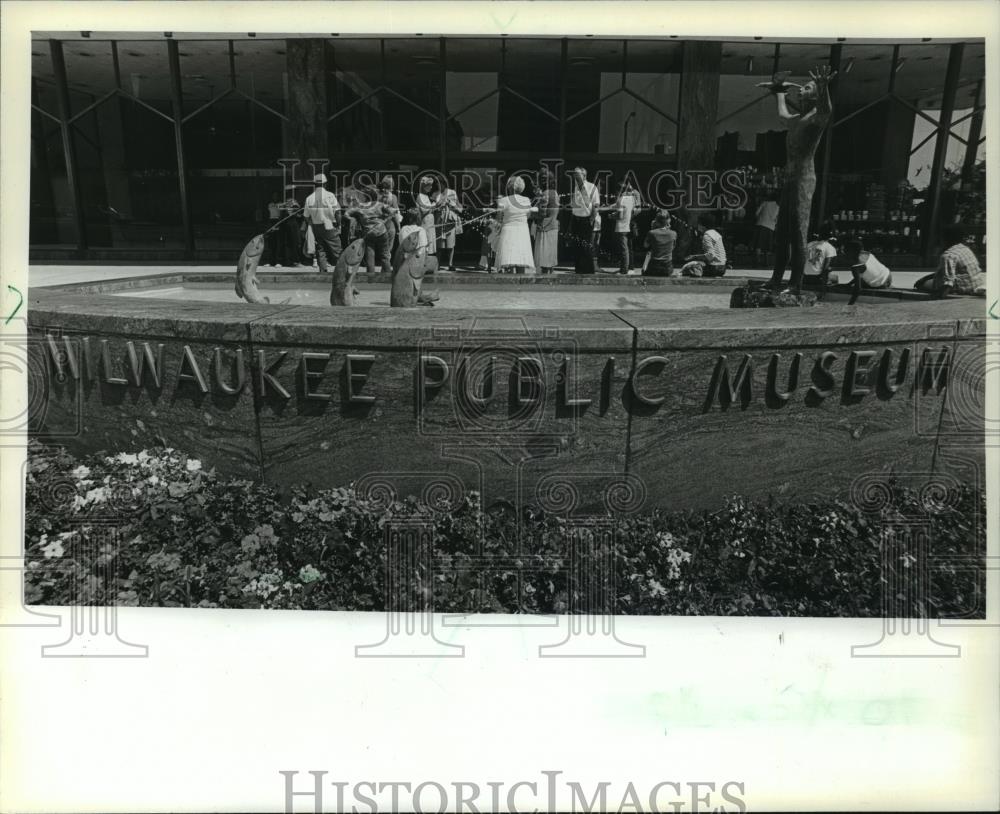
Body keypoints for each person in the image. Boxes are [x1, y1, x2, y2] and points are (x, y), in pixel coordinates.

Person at [758, 65, 836, 292]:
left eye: (807, 88)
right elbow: (782, 115)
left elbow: (826, 111)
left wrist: (823, 88)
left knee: (798, 232)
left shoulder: (815, 119)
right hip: (790, 179)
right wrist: (779, 92)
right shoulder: (797, 119)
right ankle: (776, 278)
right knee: (781, 232)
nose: (801, 90)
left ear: (816, 96)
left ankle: (795, 283)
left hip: (804, 179)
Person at [914, 223, 986, 298]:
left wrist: (938, 296)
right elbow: (949, 272)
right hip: (975, 284)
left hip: (963, 287)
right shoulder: (965, 249)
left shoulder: (948, 255)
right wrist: (926, 277)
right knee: (930, 279)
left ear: (945, 239)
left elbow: (948, 282)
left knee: (922, 284)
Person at [493, 176, 537, 274]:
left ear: (509, 187)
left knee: (508, 259)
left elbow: (498, 218)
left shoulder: (503, 200)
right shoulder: (526, 200)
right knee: (521, 259)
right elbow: (528, 215)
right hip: (522, 231)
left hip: (508, 230)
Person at [345, 185, 391, 275]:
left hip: (369, 233)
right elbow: (392, 212)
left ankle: (370, 277)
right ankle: (388, 277)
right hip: (382, 231)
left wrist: (354, 219)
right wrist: (384, 220)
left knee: (370, 255)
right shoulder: (380, 205)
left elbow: (347, 213)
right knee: (385, 255)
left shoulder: (360, 206)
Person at [303, 172, 341, 273]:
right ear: (325, 184)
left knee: (321, 250)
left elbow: (306, 216)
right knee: (337, 250)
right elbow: (337, 212)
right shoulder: (330, 195)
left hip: (316, 226)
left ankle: (323, 272)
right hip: (329, 225)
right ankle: (341, 273)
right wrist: (339, 224)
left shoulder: (309, 198)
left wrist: (312, 223)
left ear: (315, 184)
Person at [570, 166, 599, 274]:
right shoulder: (576, 187)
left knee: (586, 246)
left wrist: (591, 219)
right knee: (577, 246)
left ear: (584, 175)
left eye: (577, 174)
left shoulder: (592, 187)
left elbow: (596, 206)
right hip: (576, 219)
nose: (575, 176)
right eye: (574, 174)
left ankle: (588, 271)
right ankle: (579, 270)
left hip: (586, 220)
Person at [532, 167, 560, 274]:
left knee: (543, 257)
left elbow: (542, 213)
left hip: (544, 227)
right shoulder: (555, 193)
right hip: (553, 225)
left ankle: (544, 279)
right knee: (551, 256)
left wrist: (532, 213)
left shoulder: (546, 194)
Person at [640, 210, 676, 277]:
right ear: (668, 221)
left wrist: (652, 228)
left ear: (656, 221)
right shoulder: (673, 233)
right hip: (667, 268)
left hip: (654, 267)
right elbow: (672, 248)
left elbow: (645, 245)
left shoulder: (652, 233)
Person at [436, 183, 463, 271]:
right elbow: (433, 208)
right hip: (440, 221)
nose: (439, 186)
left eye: (440, 183)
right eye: (438, 184)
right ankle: (438, 264)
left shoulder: (452, 192)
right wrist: (439, 205)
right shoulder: (436, 194)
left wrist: (451, 204)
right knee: (439, 245)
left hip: (450, 221)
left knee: (450, 244)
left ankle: (450, 264)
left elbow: (459, 207)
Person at [416, 176, 444, 260]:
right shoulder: (420, 196)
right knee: (425, 241)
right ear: (424, 186)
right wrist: (435, 204)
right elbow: (424, 210)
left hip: (429, 223)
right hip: (425, 223)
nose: (431, 187)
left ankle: (426, 260)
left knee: (429, 241)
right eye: (429, 185)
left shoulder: (425, 196)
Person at [613, 180, 638, 275]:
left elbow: (619, 215)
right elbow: (633, 211)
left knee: (624, 250)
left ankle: (624, 270)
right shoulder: (632, 199)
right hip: (628, 226)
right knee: (626, 249)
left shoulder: (620, 200)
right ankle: (625, 268)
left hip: (621, 227)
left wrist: (612, 216)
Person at [377, 176, 401, 260]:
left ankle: (382, 264)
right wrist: (398, 226)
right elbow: (395, 214)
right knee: (388, 248)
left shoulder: (378, 196)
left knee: (381, 246)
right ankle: (385, 266)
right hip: (389, 224)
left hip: (379, 224)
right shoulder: (393, 197)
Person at [753, 193, 779, 265]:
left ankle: (757, 261)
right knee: (767, 245)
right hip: (770, 227)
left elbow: (756, 213)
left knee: (758, 244)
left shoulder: (764, 203)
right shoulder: (777, 206)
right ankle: (766, 262)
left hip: (760, 224)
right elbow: (775, 218)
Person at [263, 194, 281, 266]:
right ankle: (270, 261)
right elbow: (267, 214)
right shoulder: (270, 204)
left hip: (278, 222)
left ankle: (278, 262)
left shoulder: (280, 204)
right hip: (271, 222)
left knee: (278, 242)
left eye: (276, 195)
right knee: (271, 243)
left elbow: (282, 214)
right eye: (274, 195)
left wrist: (279, 224)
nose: (275, 197)